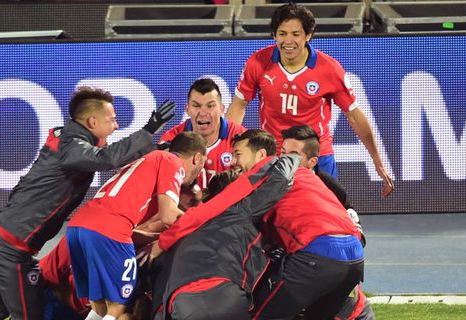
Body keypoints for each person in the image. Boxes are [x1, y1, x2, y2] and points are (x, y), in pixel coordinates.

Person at [0, 87, 177, 320]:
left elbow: (113, 155)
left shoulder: (72, 140)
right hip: (12, 247)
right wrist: (148, 130)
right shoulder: (72, 146)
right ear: (92, 121)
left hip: (3, 235)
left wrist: (153, 150)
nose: (116, 126)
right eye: (112, 120)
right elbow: (107, 159)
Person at [226, 2, 394, 197]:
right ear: (274, 35)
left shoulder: (329, 68)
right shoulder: (257, 62)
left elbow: (355, 116)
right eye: (282, 33)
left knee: (326, 214)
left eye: (295, 34)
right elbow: (239, 105)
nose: (288, 41)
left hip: (316, 155)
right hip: (274, 154)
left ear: (308, 35)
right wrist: (230, 149)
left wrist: (377, 161)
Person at [144, 130, 299, 320]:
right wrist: (291, 159)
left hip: (182, 304)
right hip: (224, 295)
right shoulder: (237, 210)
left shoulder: (183, 230)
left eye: (237, 154)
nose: (233, 161)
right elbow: (280, 180)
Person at [66, 132, 207, 320]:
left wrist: (158, 238)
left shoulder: (147, 160)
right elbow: (169, 216)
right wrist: (201, 222)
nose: (197, 174)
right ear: (197, 158)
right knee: (118, 305)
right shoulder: (172, 162)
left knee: (99, 305)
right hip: (109, 228)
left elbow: (131, 233)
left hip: (79, 226)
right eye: (201, 166)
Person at [280, 125, 374, 320]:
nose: (285, 160)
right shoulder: (275, 184)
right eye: (282, 153)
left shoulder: (332, 188)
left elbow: (357, 233)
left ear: (312, 161)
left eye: (293, 155)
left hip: (327, 273)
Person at [160, 78, 246, 190]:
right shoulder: (171, 140)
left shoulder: (242, 138)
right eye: (196, 106)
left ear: (221, 109)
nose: (203, 113)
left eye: (210, 106)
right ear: (187, 109)